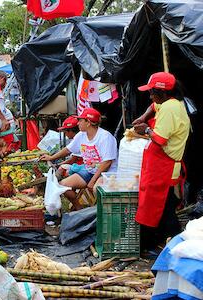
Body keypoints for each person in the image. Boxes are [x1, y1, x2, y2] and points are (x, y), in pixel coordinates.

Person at [132, 72, 190, 251]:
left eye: (152, 92)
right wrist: (143, 116)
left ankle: (165, 243)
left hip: (163, 166)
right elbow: (153, 106)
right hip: (160, 165)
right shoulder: (170, 103)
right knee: (164, 206)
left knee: (160, 207)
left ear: (163, 93)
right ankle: (162, 241)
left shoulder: (170, 109)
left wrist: (146, 129)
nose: (150, 96)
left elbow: (160, 139)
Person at [41, 108, 118, 211]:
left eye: (80, 120)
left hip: (106, 173)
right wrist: (51, 157)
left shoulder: (105, 137)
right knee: (63, 186)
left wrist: (93, 180)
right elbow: (68, 149)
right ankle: (80, 210)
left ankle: (101, 216)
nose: (78, 123)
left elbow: (107, 163)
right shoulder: (81, 135)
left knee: (97, 190)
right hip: (89, 170)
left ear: (88, 122)